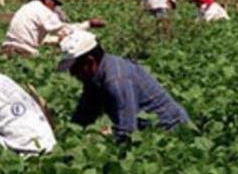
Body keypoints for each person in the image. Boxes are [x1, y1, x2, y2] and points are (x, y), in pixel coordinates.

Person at [57, 30, 191, 143]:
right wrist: (67, 138)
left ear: (90, 62)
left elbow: (126, 131)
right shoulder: (95, 76)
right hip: (147, 132)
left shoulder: (117, 80)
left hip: (169, 132)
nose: (72, 74)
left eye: (74, 68)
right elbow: (84, 114)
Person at [0, 0, 106, 57]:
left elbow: (34, 36)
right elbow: (65, 30)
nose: (54, 6)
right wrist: (89, 24)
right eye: (54, 3)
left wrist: (56, 40)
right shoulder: (42, 9)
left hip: (7, 49)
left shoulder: (27, 7)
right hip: (23, 51)